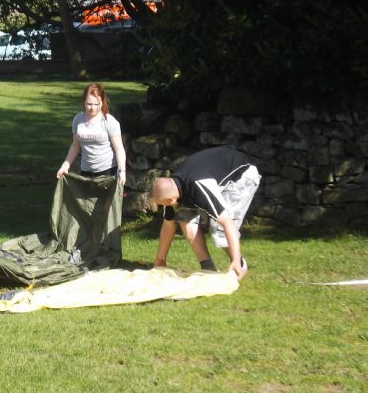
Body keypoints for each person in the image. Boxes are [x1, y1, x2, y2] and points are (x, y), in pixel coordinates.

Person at [150, 147, 262, 280]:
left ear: (170, 200)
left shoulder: (199, 186)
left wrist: (236, 259)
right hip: (211, 174)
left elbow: (227, 223)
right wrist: (160, 260)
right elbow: (168, 225)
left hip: (242, 175)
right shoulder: (173, 186)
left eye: (162, 204)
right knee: (183, 217)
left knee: (219, 228)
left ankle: (239, 265)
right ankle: (208, 268)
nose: (162, 207)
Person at [56, 83, 126, 182]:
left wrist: (122, 171)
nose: (92, 108)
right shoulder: (78, 119)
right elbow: (75, 146)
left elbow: (119, 149)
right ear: (84, 102)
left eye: (96, 104)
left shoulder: (109, 122)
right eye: (89, 104)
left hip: (107, 172)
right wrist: (65, 165)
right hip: (86, 172)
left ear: (102, 102)